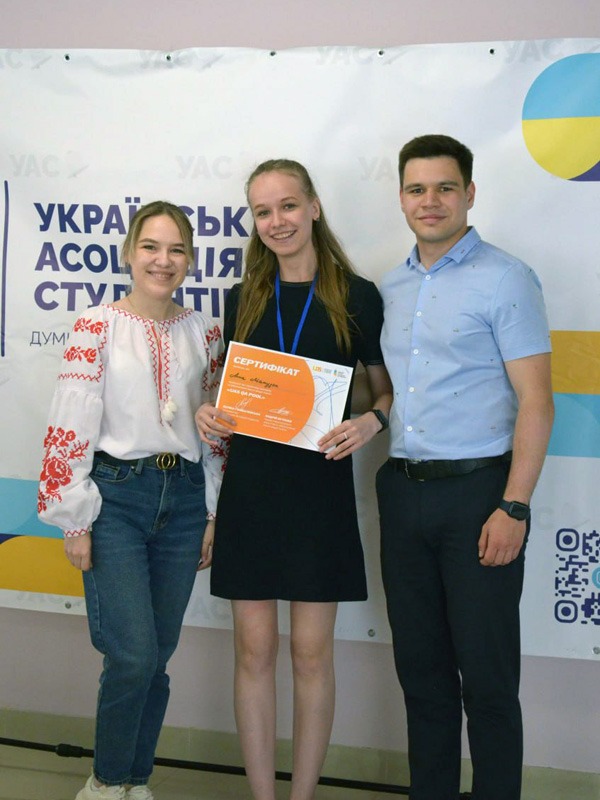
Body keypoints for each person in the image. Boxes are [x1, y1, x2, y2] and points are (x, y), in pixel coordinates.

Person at [196, 159, 393, 800]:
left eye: (287, 205)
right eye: (263, 211)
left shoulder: (357, 295)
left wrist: (372, 421)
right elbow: (226, 391)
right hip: (251, 493)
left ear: (313, 207)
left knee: (311, 655)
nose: (276, 221)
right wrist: (208, 411)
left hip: (319, 494)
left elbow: (384, 391)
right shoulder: (243, 296)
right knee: (253, 653)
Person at [376, 135, 554, 800]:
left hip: (481, 496)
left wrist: (514, 505)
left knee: (487, 681)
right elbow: (381, 391)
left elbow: (536, 402)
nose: (431, 201)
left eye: (445, 188)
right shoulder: (390, 287)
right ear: (401, 199)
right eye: (417, 189)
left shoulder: (507, 278)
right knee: (421, 677)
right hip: (403, 494)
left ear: (469, 194)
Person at [38, 201, 227, 800]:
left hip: (185, 500)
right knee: (133, 655)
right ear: (128, 253)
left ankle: (135, 782)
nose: (162, 260)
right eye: (150, 247)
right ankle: (105, 782)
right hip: (115, 499)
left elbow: (216, 431)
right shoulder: (96, 326)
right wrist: (74, 520)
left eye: (176, 250)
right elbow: (71, 420)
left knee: (158, 655)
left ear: (190, 260)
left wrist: (213, 511)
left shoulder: (206, 331)